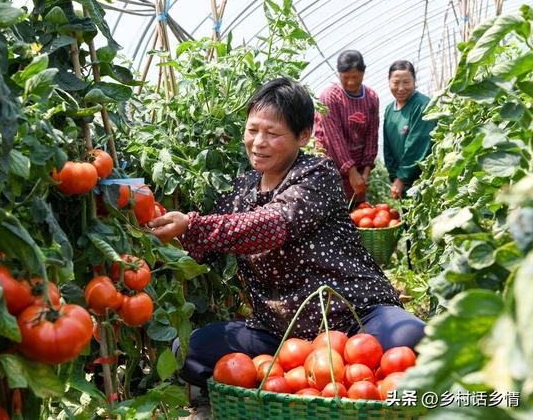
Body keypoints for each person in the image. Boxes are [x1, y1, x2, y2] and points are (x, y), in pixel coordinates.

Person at [148, 77, 425, 390]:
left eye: (272, 133)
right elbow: (210, 244)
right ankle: (291, 382)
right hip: (280, 333)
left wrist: (193, 225)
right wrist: (161, 229)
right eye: (252, 130)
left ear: (303, 136)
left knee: (410, 337)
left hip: (355, 318)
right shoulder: (242, 190)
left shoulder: (318, 174)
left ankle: (303, 382)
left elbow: (273, 225)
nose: (258, 142)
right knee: (188, 351)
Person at [315, 50, 379, 205]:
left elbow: (372, 135)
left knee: (357, 212)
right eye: (345, 78)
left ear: (363, 73)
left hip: (358, 168)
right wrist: (351, 171)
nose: (350, 82)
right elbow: (334, 138)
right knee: (333, 210)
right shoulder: (330, 97)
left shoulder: (371, 98)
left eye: (355, 77)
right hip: (331, 166)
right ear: (339, 75)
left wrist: (365, 171)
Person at [383, 60, 436, 199]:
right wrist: (394, 176)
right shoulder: (389, 110)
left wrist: (401, 178)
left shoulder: (422, 106)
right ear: (389, 82)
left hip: (421, 181)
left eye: (406, 82)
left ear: (414, 82)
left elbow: (417, 146)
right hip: (401, 183)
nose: (400, 88)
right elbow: (387, 147)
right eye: (396, 82)